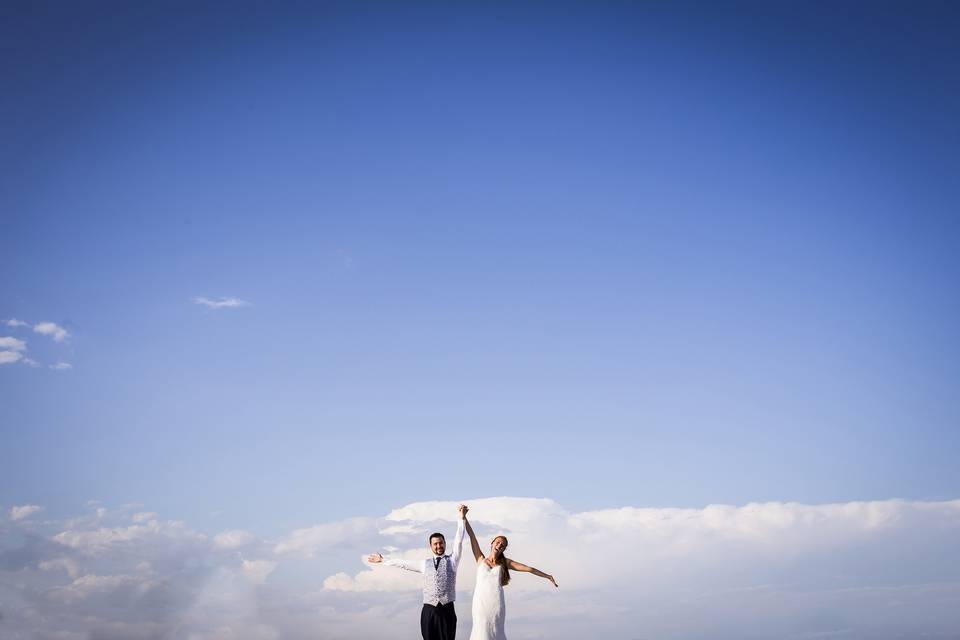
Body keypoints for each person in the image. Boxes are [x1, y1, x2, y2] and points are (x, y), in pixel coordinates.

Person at [367, 504, 468, 640]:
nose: (439, 546)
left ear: (445, 543)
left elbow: (459, 541)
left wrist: (461, 518)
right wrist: (383, 560)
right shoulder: (424, 564)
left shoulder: (452, 560)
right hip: (428, 610)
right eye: (435, 544)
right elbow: (403, 564)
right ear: (431, 546)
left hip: (447, 609)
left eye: (441, 543)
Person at [462, 506, 558, 640]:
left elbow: (528, 568)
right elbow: (472, 537)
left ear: (504, 548)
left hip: (496, 604)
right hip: (480, 603)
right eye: (498, 542)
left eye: (503, 545)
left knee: (495, 631)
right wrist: (464, 517)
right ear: (492, 543)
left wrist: (547, 576)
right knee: (481, 629)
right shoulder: (480, 559)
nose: (499, 545)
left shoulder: (505, 563)